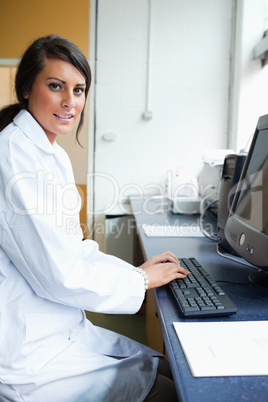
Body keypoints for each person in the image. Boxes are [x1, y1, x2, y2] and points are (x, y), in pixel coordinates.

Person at [0, 35, 189, 402]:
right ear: (26, 88)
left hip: (60, 328)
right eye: (56, 86)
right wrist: (139, 280)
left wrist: (134, 272)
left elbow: (74, 249)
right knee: (167, 392)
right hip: (29, 353)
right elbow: (60, 272)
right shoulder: (13, 156)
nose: (70, 101)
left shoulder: (50, 153)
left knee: (170, 367)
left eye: (79, 89)